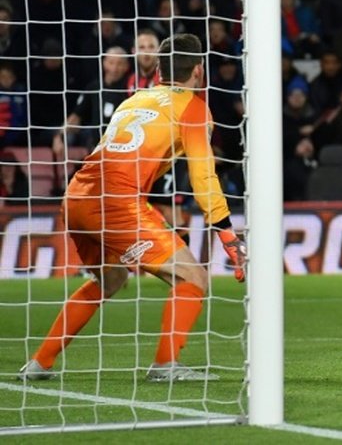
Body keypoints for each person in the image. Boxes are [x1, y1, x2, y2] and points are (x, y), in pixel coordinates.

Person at [20, 34, 246, 382]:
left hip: (77, 196)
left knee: (111, 278)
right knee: (194, 277)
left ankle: (40, 363)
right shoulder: (194, 107)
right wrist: (226, 230)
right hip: (117, 203)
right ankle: (165, 365)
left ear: (158, 72)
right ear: (199, 71)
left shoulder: (134, 101)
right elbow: (204, 176)